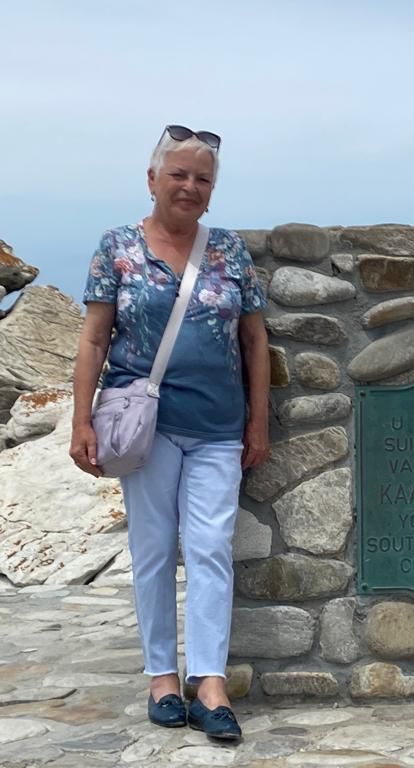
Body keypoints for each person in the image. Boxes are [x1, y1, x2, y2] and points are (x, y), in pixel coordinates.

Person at [69, 125, 270, 741]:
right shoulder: (118, 247)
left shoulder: (229, 251)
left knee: (210, 549)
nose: (190, 186)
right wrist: (80, 420)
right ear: (152, 179)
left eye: (202, 178)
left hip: (218, 428)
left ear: (212, 190)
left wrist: (258, 421)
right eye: (178, 174)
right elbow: (94, 338)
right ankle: (161, 677)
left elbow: (254, 339)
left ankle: (209, 683)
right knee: (154, 549)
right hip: (144, 428)